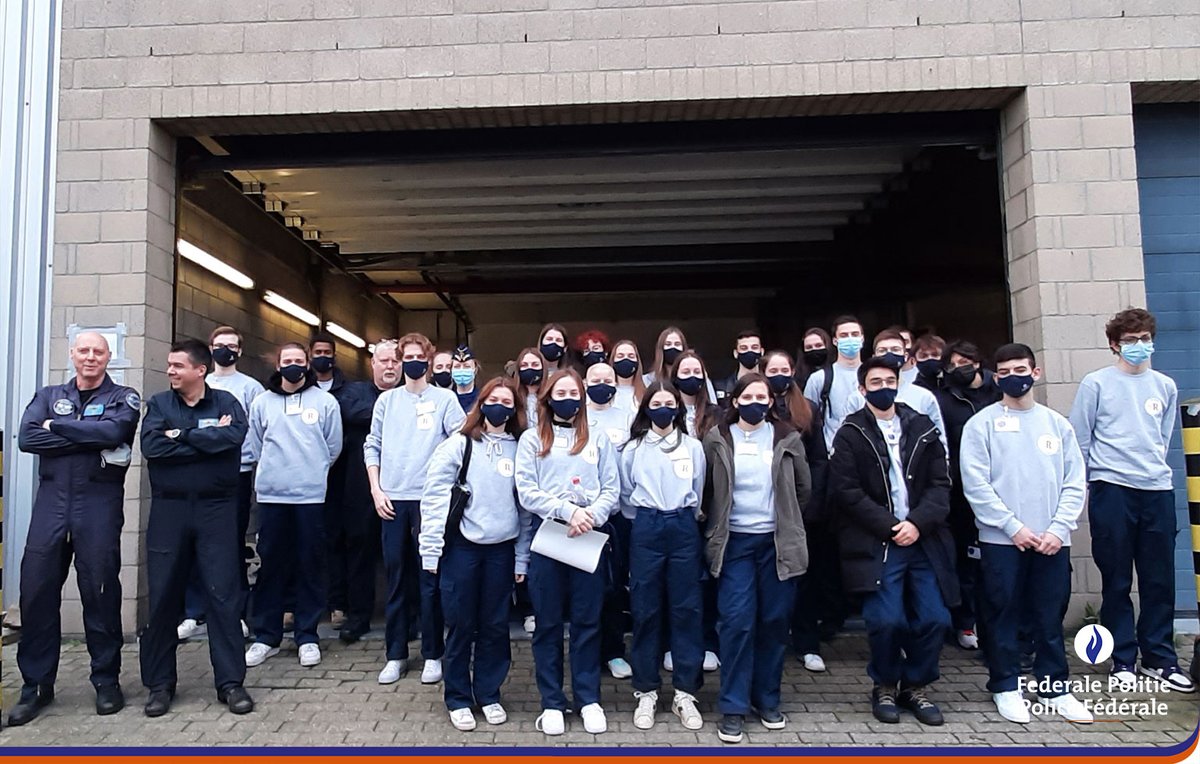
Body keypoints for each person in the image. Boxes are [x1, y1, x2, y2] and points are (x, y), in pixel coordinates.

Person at [9, 331, 141, 726]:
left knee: (99, 591)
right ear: (71, 354)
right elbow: (27, 438)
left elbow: (114, 433)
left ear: (109, 357)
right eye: (83, 350)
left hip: (97, 504)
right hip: (51, 505)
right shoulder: (48, 395)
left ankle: (106, 681)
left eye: (98, 351)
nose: (90, 357)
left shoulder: (124, 397)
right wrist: (83, 436)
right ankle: (35, 686)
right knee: (35, 593)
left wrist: (58, 428)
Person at [960, 343, 1092, 725]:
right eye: (1004, 372)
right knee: (1002, 614)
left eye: (1021, 369)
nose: (1013, 377)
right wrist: (1012, 527)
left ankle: (1055, 688)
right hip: (1002, 541)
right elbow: (976, 484)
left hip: (1052, 540)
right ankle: (1006, 685)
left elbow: (1074, 482)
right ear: (995, 377)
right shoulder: (980, 425)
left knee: (1048, 615)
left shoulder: (1057, 424)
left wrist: (1058, 528)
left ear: (1036, 372)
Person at [1069, 308, 1193, 693]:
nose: (1139, 346)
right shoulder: (1096, 383)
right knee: (1117, 578)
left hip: (1156, 489)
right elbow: (1080, 439)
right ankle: (1123, 657)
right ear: (1114, 344)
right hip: (1112, 489)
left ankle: (1160, 658)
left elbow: (1162, 436)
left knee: (1159, 580)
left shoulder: (1165, 386)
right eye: (1130, 340)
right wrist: (1089, 485)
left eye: (1144, 339)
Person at [831, 356, 957, 727]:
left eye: (890, 380)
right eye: (875, 382)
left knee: (935, 617)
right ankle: (885, 683)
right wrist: (890, 526)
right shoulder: (851, 432)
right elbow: (846, 491)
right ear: (862, 389)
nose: (884, 387)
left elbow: (940, 483)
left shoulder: (922, 426)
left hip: (924, 540)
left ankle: (915, 685)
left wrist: (917, 523)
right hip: (878, 542)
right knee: (885, 620)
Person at [138, 339, 254, 717]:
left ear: (200, 370)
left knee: (223, 595)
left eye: (177, 365)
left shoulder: (226, 405)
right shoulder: (158, 405)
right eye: (169, 365)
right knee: (164, 597)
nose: (170, 370)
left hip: (216, 510)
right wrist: (204, 440)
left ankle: (230, 684)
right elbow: (154, 449)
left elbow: (233, 438)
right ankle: (159, 685)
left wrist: (181, 436)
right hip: (169, 511)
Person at [702, 373, 811, 744]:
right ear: (735, 401)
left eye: (762, 397)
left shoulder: (787, 438)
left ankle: (767, 699)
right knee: (736, 623)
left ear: (770, 401)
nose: (755, 402)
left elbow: (803, 488)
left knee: (774, 621)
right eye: (747, 396)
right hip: (735, 544)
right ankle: (733, 706)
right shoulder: (717, 440)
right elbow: (708, 491)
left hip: (776, 544)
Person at [420, 377, 533, 731]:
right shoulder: (459, 445)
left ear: (515, 410)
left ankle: (489, 693)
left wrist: (521, 557)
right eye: (493, 399)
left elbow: (525, 509)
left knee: (495, 626)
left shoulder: (521, 448)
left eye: (507, 402)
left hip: (501, 551)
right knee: (460, 624)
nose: (500, 407)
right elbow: (435, 497)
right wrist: (431, 551)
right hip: (463, 550)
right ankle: (457, 697)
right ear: (481, 404)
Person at [515, 368, 620, 737]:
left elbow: (612, 488)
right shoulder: (531, 440)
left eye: (574, 392)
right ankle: (552, 702)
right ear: (547, 397)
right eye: (560, 392)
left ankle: (588, 698)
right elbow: (526, 491)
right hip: (549, 540)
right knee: (547, 624)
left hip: (588, 538)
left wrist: (590, 515)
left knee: (587, 622)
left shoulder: (598, 439)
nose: (568, 398)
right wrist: (566, 511)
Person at [366, 332, 467, 685]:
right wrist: (376, 490)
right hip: (393, 500)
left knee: (430, 580)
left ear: (428, 359)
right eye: (402, 357)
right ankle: (395, 654)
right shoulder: (386, 402)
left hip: (430, 503)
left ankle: (433, 653)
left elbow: (460, 444)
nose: (409, 363)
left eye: (416, 356)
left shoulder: (445, 399)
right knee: (396, 579)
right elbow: (372, 446)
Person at [244, 342, 343, 670]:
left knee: (310, 566)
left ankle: (307, 635)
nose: (293, 366)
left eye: (299, 361)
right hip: (272, 497)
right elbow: (257, 444)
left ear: (308, 365)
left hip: (310, 498)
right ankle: (266, 636)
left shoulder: (325, 402)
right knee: (271, 566)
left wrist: (310, 472)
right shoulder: (262, 403)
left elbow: (333, 447)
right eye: (287, 360)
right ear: (278, 364)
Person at [620, 382, 707, 731]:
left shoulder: (693, 447)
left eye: (669, 403)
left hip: (684, 526)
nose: (663, 409)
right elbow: (627, 495)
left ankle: (685, 692)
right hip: (646, 526)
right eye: (656, 403)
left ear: (678, 409)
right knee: (645, 608)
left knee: (686, 609)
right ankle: (646, 691)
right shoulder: (634, 449)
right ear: (646, 409)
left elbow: (699, 492)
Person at [178, 325, 263, 642]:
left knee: (231, 545)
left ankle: (234, 614)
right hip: (196, 473)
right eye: (219, 344)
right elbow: (182, 430)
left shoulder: (251, 388)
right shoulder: (197, 382)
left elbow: (249, 433)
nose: (225, 349)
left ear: (240, 351)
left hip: (236, 474)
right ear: (210, 348)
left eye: (232, 345)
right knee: (193, 544)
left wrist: (215, 436)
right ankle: (194, 613)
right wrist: (214, 434)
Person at [761, 350, 832, 674]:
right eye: (772, 369)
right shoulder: (757, 411)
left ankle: (807, 644)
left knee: (804, 579)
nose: (778, 374)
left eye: (784, 369)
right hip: (763, 511)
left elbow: (818, 460)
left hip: (800, 511)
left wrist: (810, 503)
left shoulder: (808, 410)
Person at [326, 340, 402, 644]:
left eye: (396, 361)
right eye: (384, 361)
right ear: (373, 364)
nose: (390, 366)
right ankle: (359, 616)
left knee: (401, 557)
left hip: (402, 487)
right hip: (359, 489)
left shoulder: (417, 396)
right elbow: (349, 412)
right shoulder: (353, 393)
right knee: (359, 554)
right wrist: (396, 413)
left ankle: (406, 618)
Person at [933, 340, 1001, 651]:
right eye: (953, 364)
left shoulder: (999, 391)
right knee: (963, 560)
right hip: (960, 492)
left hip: (1001, 487)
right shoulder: (944, 398)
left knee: (995, 562)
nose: (959, 368)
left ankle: (996, 626)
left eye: (966, 361)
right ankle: (965, 622)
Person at [585, 362, 635, 680]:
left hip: (617, 515)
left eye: (608, 379)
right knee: (586, 590)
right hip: (584, 517)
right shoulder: (579, 419)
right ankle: (587, 652)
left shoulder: (627, 416)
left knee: (615, 587)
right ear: (585, 383)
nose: (602, 384)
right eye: (595, 379)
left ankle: (614, 651)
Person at [845, 331, 948, 453]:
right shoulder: (858, 397)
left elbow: (939, 439)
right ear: (874, 356)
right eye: (882, 350)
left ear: (906, 356)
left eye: (895, 349)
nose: (889, 354)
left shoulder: (924, 396)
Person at [804, 315, 866, 451]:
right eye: (844, 335)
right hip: (833, 454)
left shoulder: (874, 377)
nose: (850, 339)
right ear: (835, 341)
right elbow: (807, 421)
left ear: (862, 339)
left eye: (854, 334)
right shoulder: (819, 379)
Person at [644, 326, 717, 402]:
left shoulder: (700, 378)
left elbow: (713, 403)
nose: (673, 347)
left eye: (677, 344)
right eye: (668, 344)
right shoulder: (647, 380)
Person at [715, 330, 764, 404]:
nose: (749, 351)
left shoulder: (770, 386)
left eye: (754, 347)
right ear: (735, 353)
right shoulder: (720, 387)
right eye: (744, 348)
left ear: (762, 352)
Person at [611, 338, 647, 414]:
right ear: (613, 360)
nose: (625, 359)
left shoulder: (646, 392)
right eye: (620, 356)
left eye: (631, 356)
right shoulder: (607, 391)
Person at [515, 346, 546, 427]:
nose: (530, 368)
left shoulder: (551, 397)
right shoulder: (513, 397)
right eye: (524, 365)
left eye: (535, 365)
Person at [450, 344, 481, 412]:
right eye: (457, 367)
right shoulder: (447, 398)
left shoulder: (482, 398)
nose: (461, 370)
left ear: (475, 369)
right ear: (451, 370)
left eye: (467, 366)